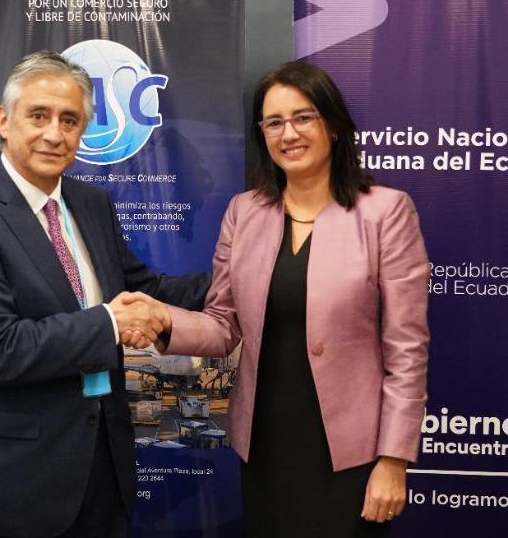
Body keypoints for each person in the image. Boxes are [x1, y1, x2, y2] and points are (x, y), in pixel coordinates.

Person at [0, 51, 209, 538]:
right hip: (16, 483)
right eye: (39, 116)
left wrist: (248, 275)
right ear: (3, 120)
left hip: (104, 470)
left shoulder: (91, 203)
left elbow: (148, 292)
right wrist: (111, 323)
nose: (54, 134)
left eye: (70, 120)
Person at [149, 61, 430, 536]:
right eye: (274, 122)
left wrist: (394, 459)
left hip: (351, 453)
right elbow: (223, 325)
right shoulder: (244, 212)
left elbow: (407, 350)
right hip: (264, 445)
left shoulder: (385, 212)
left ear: (333, 125)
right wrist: (162, 321)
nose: (289, 134)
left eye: (303, 117)